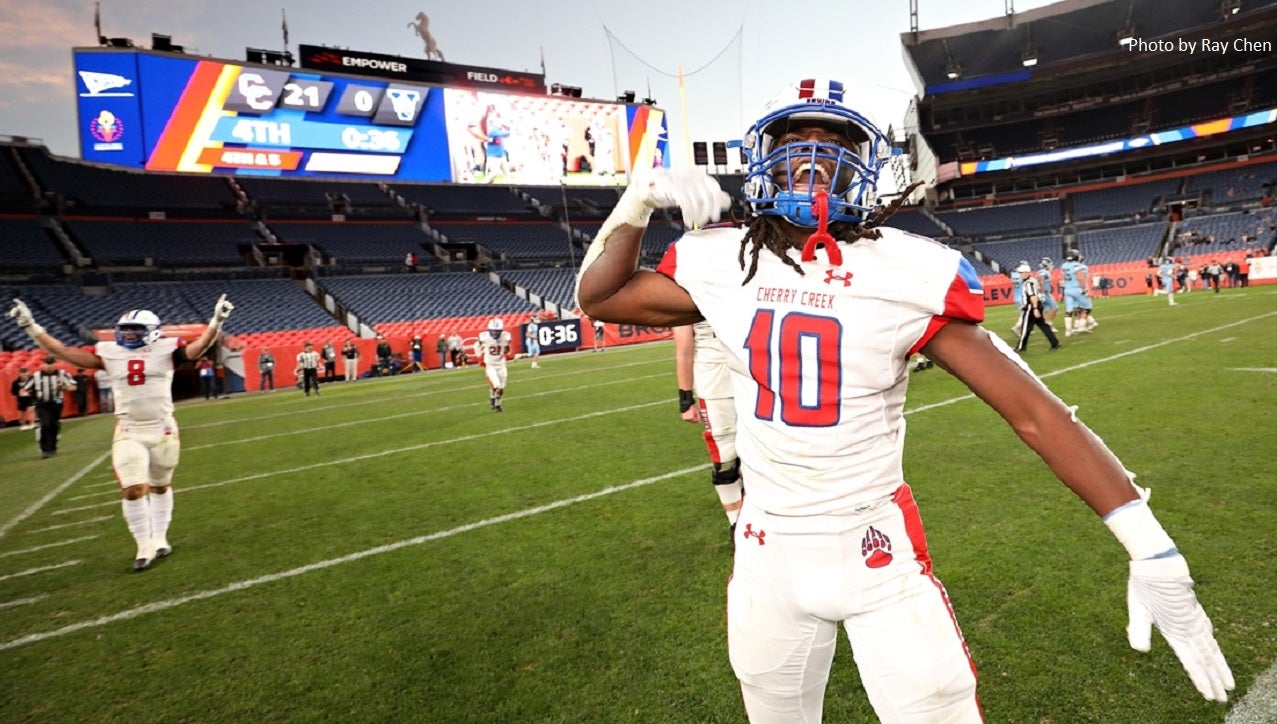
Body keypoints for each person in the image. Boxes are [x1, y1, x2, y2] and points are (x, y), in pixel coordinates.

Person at [575, 78, 1232, 721]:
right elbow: (599, 298)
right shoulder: (723, 259)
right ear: (764, 158)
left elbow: (1032, 411)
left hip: (875, 550)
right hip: (764, 549)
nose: (812, 154)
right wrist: (634, 204)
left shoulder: (907, 268)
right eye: (795, 138)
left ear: (863, 166)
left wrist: (1149, 545)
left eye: (833, 143)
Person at [8, 294, 234, 571]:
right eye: (125, 330)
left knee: (160, 485)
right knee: (133, 489)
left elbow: (198, 347)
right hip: (129, 429)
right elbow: (63, 352)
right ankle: (143, 546)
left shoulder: (166, 348)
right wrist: (31, 327)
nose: (128, 335)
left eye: (135, 330)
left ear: (152, 332)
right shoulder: (108, 352)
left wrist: (216, 321)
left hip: (162, 428)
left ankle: (160, 537)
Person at [674, 322, 744, 539]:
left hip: (751, 376)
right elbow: (683, 347)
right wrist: (685, 399)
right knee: (725, 458)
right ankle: (737, 525)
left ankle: (756, 514)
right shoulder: (687, 291)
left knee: (757, 452)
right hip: (715, 382)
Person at [24, 356, 75, 458]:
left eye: (51, 364)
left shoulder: (62, 374)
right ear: (43, 365)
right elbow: (24, 389)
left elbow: (73, 387)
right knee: (45, 424)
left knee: (54, 425)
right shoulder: (36, 376)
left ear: (55, 364)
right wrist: (30, 396)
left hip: (57, 402)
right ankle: (45, 449)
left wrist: (64, 387)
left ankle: (53, 447)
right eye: (47, 364)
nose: (49, 367)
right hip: (42, 403)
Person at [1013, 262, 1061, 352]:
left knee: (1026, 328)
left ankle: (1021, 347)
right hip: (1035, 305)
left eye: (1021, 273)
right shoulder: (1032, 281)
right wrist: (1025, 305)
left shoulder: (1028, 283)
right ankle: (1055, 343)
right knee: (1043, 326)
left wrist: (1034, 308)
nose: (1020, 275)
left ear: (1027, 273)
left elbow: (1033, 296)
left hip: (1032, 307)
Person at [475, 317, 511, 411]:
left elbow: (508, 348)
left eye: (497, 331)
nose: (495, 333)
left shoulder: (506, 336)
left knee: (501, 388)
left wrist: (507, 352)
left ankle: (495, 401)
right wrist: (479, 357)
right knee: (497, 386)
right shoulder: (484, 337)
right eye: (493, 331)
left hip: (501, 364)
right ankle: (497, 405)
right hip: (490, 365)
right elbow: (476, 345)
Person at [1060, 248, 1095, 335]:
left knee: (1069, 310)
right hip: (1076, 288)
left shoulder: (1064, 265)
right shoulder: (1078, 266)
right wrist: (1084, 289)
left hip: (1067, 289)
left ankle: (1068, 331)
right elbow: (1080, 278)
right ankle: (1081, 327)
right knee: (1087, 307)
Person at [1036, 257, 1060, 329]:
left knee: (1045, 310)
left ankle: (1046, 324)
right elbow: (1042, 280)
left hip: (1042, 293)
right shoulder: (1044, 272)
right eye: (1049, 264)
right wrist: (1042, 293)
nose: (1051, 266)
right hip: (1044, 293)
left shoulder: (1040, 271)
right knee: (1055, 307)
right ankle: (1049, 323)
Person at [10, 365, 36, 430]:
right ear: (20, 373)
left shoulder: (32, 380)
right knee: (22, 412)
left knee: (31, 410)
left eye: (25, 372)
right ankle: (23, 425)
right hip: (21, 399)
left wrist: (31, 392)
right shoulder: (16, 382)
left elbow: (36, 388)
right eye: (22, 372)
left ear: (28, 372)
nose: (24, 374)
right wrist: (19, 392)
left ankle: (32, 423)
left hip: (30, 398)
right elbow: (13, 391)